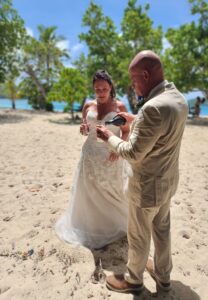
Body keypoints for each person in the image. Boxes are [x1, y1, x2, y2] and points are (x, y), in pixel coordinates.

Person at [96, 50, 188, 293]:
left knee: (138, 235)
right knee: (162, 230)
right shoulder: (178, 99)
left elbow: (133, 152)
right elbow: (162, 128)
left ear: (146, 75)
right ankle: (163, 275)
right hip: (168, 182)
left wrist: (108, 137)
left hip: (147, 187)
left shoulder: (152, 108)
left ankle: (134, 281)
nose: (133, 85)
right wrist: (135, 120)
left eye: (134, 79)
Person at [55, 70, 130, 249]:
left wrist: (119, 149)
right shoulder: (88, 105)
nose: (101, 92)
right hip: (89, 154)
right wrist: (82, 129)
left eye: (104, 88)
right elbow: (84, 128)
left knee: (111, 190)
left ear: (111, 87)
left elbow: (127, 131)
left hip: (111, 153)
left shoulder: (119, 107)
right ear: (93, 89)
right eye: (97, 89)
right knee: (87, 189)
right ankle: (90, 226)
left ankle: (113, 225)